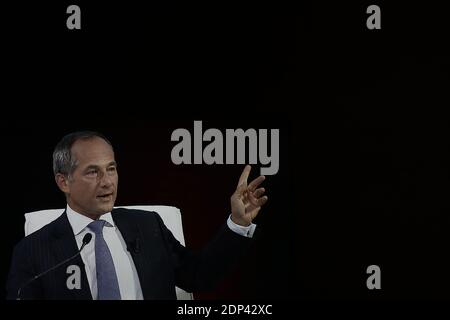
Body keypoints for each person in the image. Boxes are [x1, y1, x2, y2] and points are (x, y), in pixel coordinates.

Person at [6, 131, 268, 300]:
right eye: (92, 172)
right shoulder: (32, 251)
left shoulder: (147, 225)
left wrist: (237, 223)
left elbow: (199, 276)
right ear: (63, 182)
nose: (107, 182)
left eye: (111, 169)